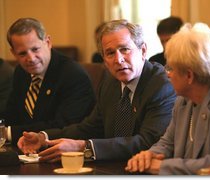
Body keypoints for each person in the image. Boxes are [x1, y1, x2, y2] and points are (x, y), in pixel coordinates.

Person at [17, 19, 176, 162]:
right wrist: (44, 138)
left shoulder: (162, 85)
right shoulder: (109, 82)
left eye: (125, 49)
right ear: (104, 59)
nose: (118, 59)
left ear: (142, 51)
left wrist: (84, 147)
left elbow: (147, 142)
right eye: (110, 53)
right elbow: (89, 127)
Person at [125, 22, 210, 175]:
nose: (167, 73)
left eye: (170, 68)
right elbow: (167, 143)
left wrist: (161, 166)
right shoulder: (184, 99)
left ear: (189, 75)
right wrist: (148, 156)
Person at [2, 18, 96, 144]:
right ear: (13, 53)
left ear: (48, 42)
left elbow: (64, 125)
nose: (31, 58)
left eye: (35, 49)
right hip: (26, 150)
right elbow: (11, 116)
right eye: (22, 53)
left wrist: (7, 133)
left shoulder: (73, 75)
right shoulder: (21, 72)